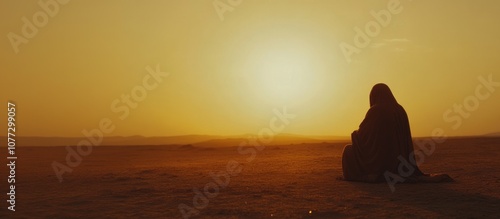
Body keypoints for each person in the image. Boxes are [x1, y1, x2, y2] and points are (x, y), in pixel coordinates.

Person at [341, 83, 452, 183]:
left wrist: (354, 134)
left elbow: (363, 136)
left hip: (378, 160)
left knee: (348, 151)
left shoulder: (375, 110)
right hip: (400, 161)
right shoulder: (400, 110)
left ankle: (364, 175)